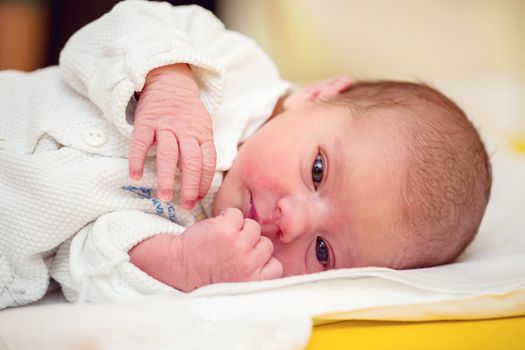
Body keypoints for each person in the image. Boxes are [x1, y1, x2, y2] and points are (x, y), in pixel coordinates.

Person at [0, 0, 491, 308]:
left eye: (322, 251)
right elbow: (120, 26)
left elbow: (83, 260)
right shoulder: (227, 68)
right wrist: (167, 81)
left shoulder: (212, 247)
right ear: (317, 95)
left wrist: (181, 263)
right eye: (317, 171)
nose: (290, 221)